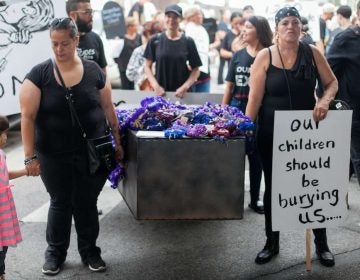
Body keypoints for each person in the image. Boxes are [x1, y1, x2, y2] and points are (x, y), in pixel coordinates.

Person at [19, 17, 124, 275]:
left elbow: (108, 107)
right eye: (54, 44)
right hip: (53, 155)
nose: (59, 49)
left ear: (76, 40)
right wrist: (29, 157)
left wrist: (117, 142)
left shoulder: (94, 71)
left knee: (86, 202)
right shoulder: (38, 75)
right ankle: (55, 254)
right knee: (60, 201)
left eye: (64, 43)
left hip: (91, 152)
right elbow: (27, 117)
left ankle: (90, 252)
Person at [245, 7, 338, 267]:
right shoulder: (264, 56)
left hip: (308, 135)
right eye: (284, 22)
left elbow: (332, 83)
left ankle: (322, 244)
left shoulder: (313, 53)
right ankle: (271, 242)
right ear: (276, 27)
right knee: (274, 188)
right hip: (271, 133)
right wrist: (242, 130)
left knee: (313, 187)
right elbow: (254, 99)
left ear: (301, 27)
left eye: (295, 22)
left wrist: (324, 101)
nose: (290, 27)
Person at [222, 16, 272, 214]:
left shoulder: (269, 56)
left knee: (256, 156)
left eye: (248, 27)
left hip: (261, 112)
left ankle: (255, 200)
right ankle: (230, 199)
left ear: (259, 31)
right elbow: (229, 87)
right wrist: (223, 112)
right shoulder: (238, 55)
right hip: (236, 108)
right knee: (234, 156)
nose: (243, 30)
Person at [327, 1, 360, 186]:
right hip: (352, 108)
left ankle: (337, 194)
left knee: (349, 155)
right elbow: (329, 73)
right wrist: (329, 102)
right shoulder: (345, 39)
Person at [143, 4, 202, 98]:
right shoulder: (155, 40)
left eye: (175, 17)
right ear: (164, 18)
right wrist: (156, 86)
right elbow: (147, 66)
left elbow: (196, 69)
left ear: (181, 19)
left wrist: (185, 87)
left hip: (183, 96)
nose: (171, 20)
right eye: (168, 16)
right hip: (160, 94)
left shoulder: (188, 41)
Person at [0, 115, 28, 280]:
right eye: (3, 133)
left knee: (3, 247)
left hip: (3, 210)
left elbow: (6, 175)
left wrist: (26, 171)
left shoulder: (1, 154)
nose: (5, 137)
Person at [66, 0, 107, 71]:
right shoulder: (62, 40)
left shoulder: (96, 38)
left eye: (91, 12)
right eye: (87, 12)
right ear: (72, 15)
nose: (91, 16)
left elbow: (103, 72)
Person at [126, 20, 162, 90]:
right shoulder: (139, 51)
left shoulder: (163, 50)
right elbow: (130, 74)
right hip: (143, 91)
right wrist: (145, 71)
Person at [183, 5, 211, 93]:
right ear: (192, 16)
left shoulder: (201, 29)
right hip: (194, 69)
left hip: (204, 68)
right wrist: (188, 63)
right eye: (199, 14)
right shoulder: (189, 28)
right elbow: (187, 48)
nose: (201, 16)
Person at [114, 16, 142, 90]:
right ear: (129, 27)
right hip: (124, 68)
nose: (137, 27)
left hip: (136, 68)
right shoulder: (121, 38)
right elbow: (115, 54)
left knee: (135, 88)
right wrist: (120, 63)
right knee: (126, 88)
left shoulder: (139, 37)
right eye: (135, 25)